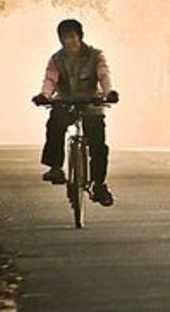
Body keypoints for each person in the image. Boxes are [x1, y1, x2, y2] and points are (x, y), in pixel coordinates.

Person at [31, 18, 118, 206]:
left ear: (80, 37)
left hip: (91, 102)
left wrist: (109, 93)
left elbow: (104, 75)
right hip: (65, 102)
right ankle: (56, 167)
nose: (69, 41)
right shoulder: (56, 59)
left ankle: (99, 184)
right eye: (64, 38)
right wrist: (44, 95)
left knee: (98, 145)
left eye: (72, 37)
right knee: (54, 123)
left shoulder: (96, 56)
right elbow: (50, 80)